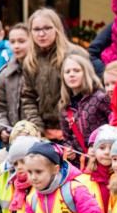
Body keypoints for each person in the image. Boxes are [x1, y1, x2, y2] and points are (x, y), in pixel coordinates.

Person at [20, 8, 87, 140]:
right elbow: (28, 97)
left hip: (75, 130)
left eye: (47, 28)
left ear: (57, 28)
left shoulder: (75, 54)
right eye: (36, 29)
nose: (41, 34)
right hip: (45, 131)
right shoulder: (30, 60)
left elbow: (87, 94)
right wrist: (36, 126)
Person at [59, 54, 110, 159]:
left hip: (104, 159)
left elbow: (113, 127)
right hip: (81, 164)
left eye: (76, 71)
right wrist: (69, 150)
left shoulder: (100, 97)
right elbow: (67, 138)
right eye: (67, 72)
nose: (71, 75)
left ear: (86, 72)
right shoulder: (64, 106)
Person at [0, 23, 31, 142]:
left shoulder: (40, 72)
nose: (16, 46)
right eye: (12, 42)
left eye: (21, 41)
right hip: (13, 140)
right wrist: (2, 128)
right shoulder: (5, 73)